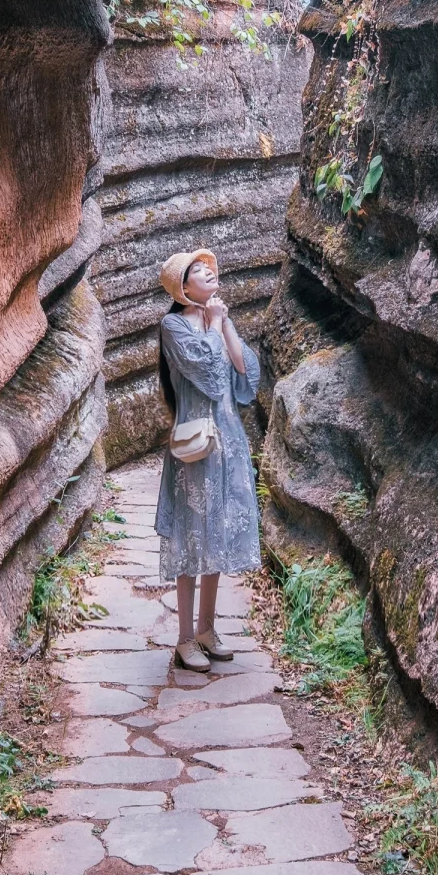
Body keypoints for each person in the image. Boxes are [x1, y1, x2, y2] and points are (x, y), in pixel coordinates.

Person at [153, 248, 262, 672]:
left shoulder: (216, 317)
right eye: (199, 272)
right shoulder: (173, 325)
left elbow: (242, 372)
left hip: (228, 439)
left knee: (215, 534)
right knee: (191, 540)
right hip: (196, 444)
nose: (209, 274)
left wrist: (223, 321)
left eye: (210, 269)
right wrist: (214, 324)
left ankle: (207, 630)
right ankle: (183, 639)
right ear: (183, 287)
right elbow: (211, 377)